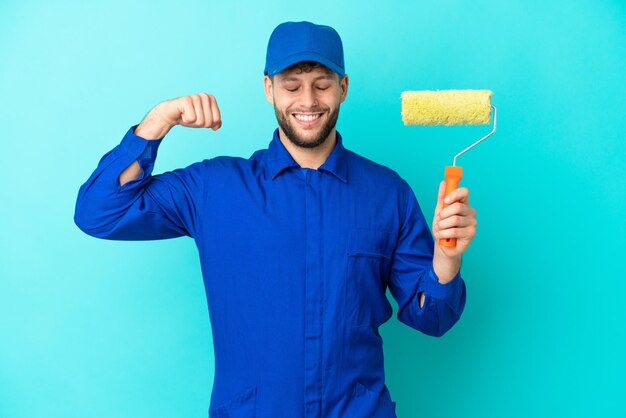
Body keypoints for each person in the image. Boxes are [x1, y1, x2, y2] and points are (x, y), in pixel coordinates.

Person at [74, 20, 476, 418]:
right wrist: (158, 121)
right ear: (268, 89)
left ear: (343, 88)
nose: (308, 100)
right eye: (291, 85)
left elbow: (432, 318)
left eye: (321, 84)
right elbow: (99, 212)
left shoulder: (388, 193)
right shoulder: (214, 188)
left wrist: (446, 259)